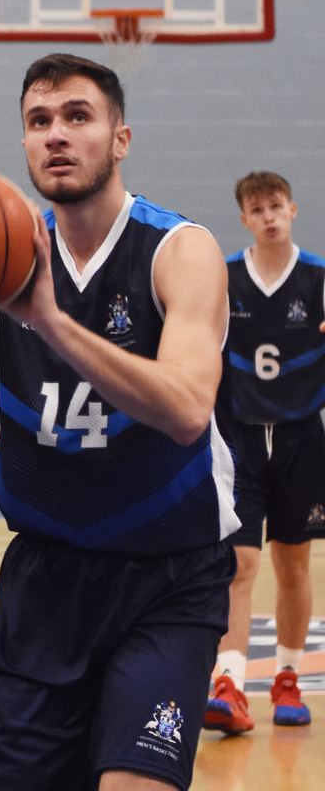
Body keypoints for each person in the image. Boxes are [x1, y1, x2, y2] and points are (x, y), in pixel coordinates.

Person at [0, 53, 240, 791]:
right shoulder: (4, 249)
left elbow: (186, 410)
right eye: (39, 122)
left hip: (168, 579)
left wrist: (48, 321)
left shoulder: (180, 251)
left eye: (78, 117)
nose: (57, 136)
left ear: (121, 138)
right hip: (45, 583)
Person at [203, 171, 325, 735]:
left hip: (302, 437)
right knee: (239, 564)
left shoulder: (320, 280)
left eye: (277, 205)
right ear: (245, 219)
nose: (269, 215)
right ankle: (229, 683)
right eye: (257, 208)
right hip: (240, 437)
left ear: (293, 209)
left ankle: (288, 678)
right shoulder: (223, 279)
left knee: (292, 560)